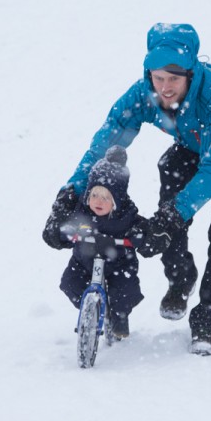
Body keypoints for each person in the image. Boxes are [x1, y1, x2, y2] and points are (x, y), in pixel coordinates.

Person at [42, 23, 211, 355]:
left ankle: (207, 319)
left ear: (191, 74)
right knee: (167, 206)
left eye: (173, 79)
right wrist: (70, 195)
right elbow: (104, 145)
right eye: (158, 77)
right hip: (191, 146)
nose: (164, 87)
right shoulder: (143, 94)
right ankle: (181, 277)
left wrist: (175, 214)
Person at [53, 146, 146, 341]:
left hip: (118, 263)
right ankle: (90, 310)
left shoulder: (126, 214)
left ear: (117, 200)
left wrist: (139, 235)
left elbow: (141, 227)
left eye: (105, 198)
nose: (98, 201)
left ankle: (119, 317)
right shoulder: (82, 212)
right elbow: (69, 226)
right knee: (70, 283)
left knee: (124, 292)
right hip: (84, 261)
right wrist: (64, 232)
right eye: (94, 195)